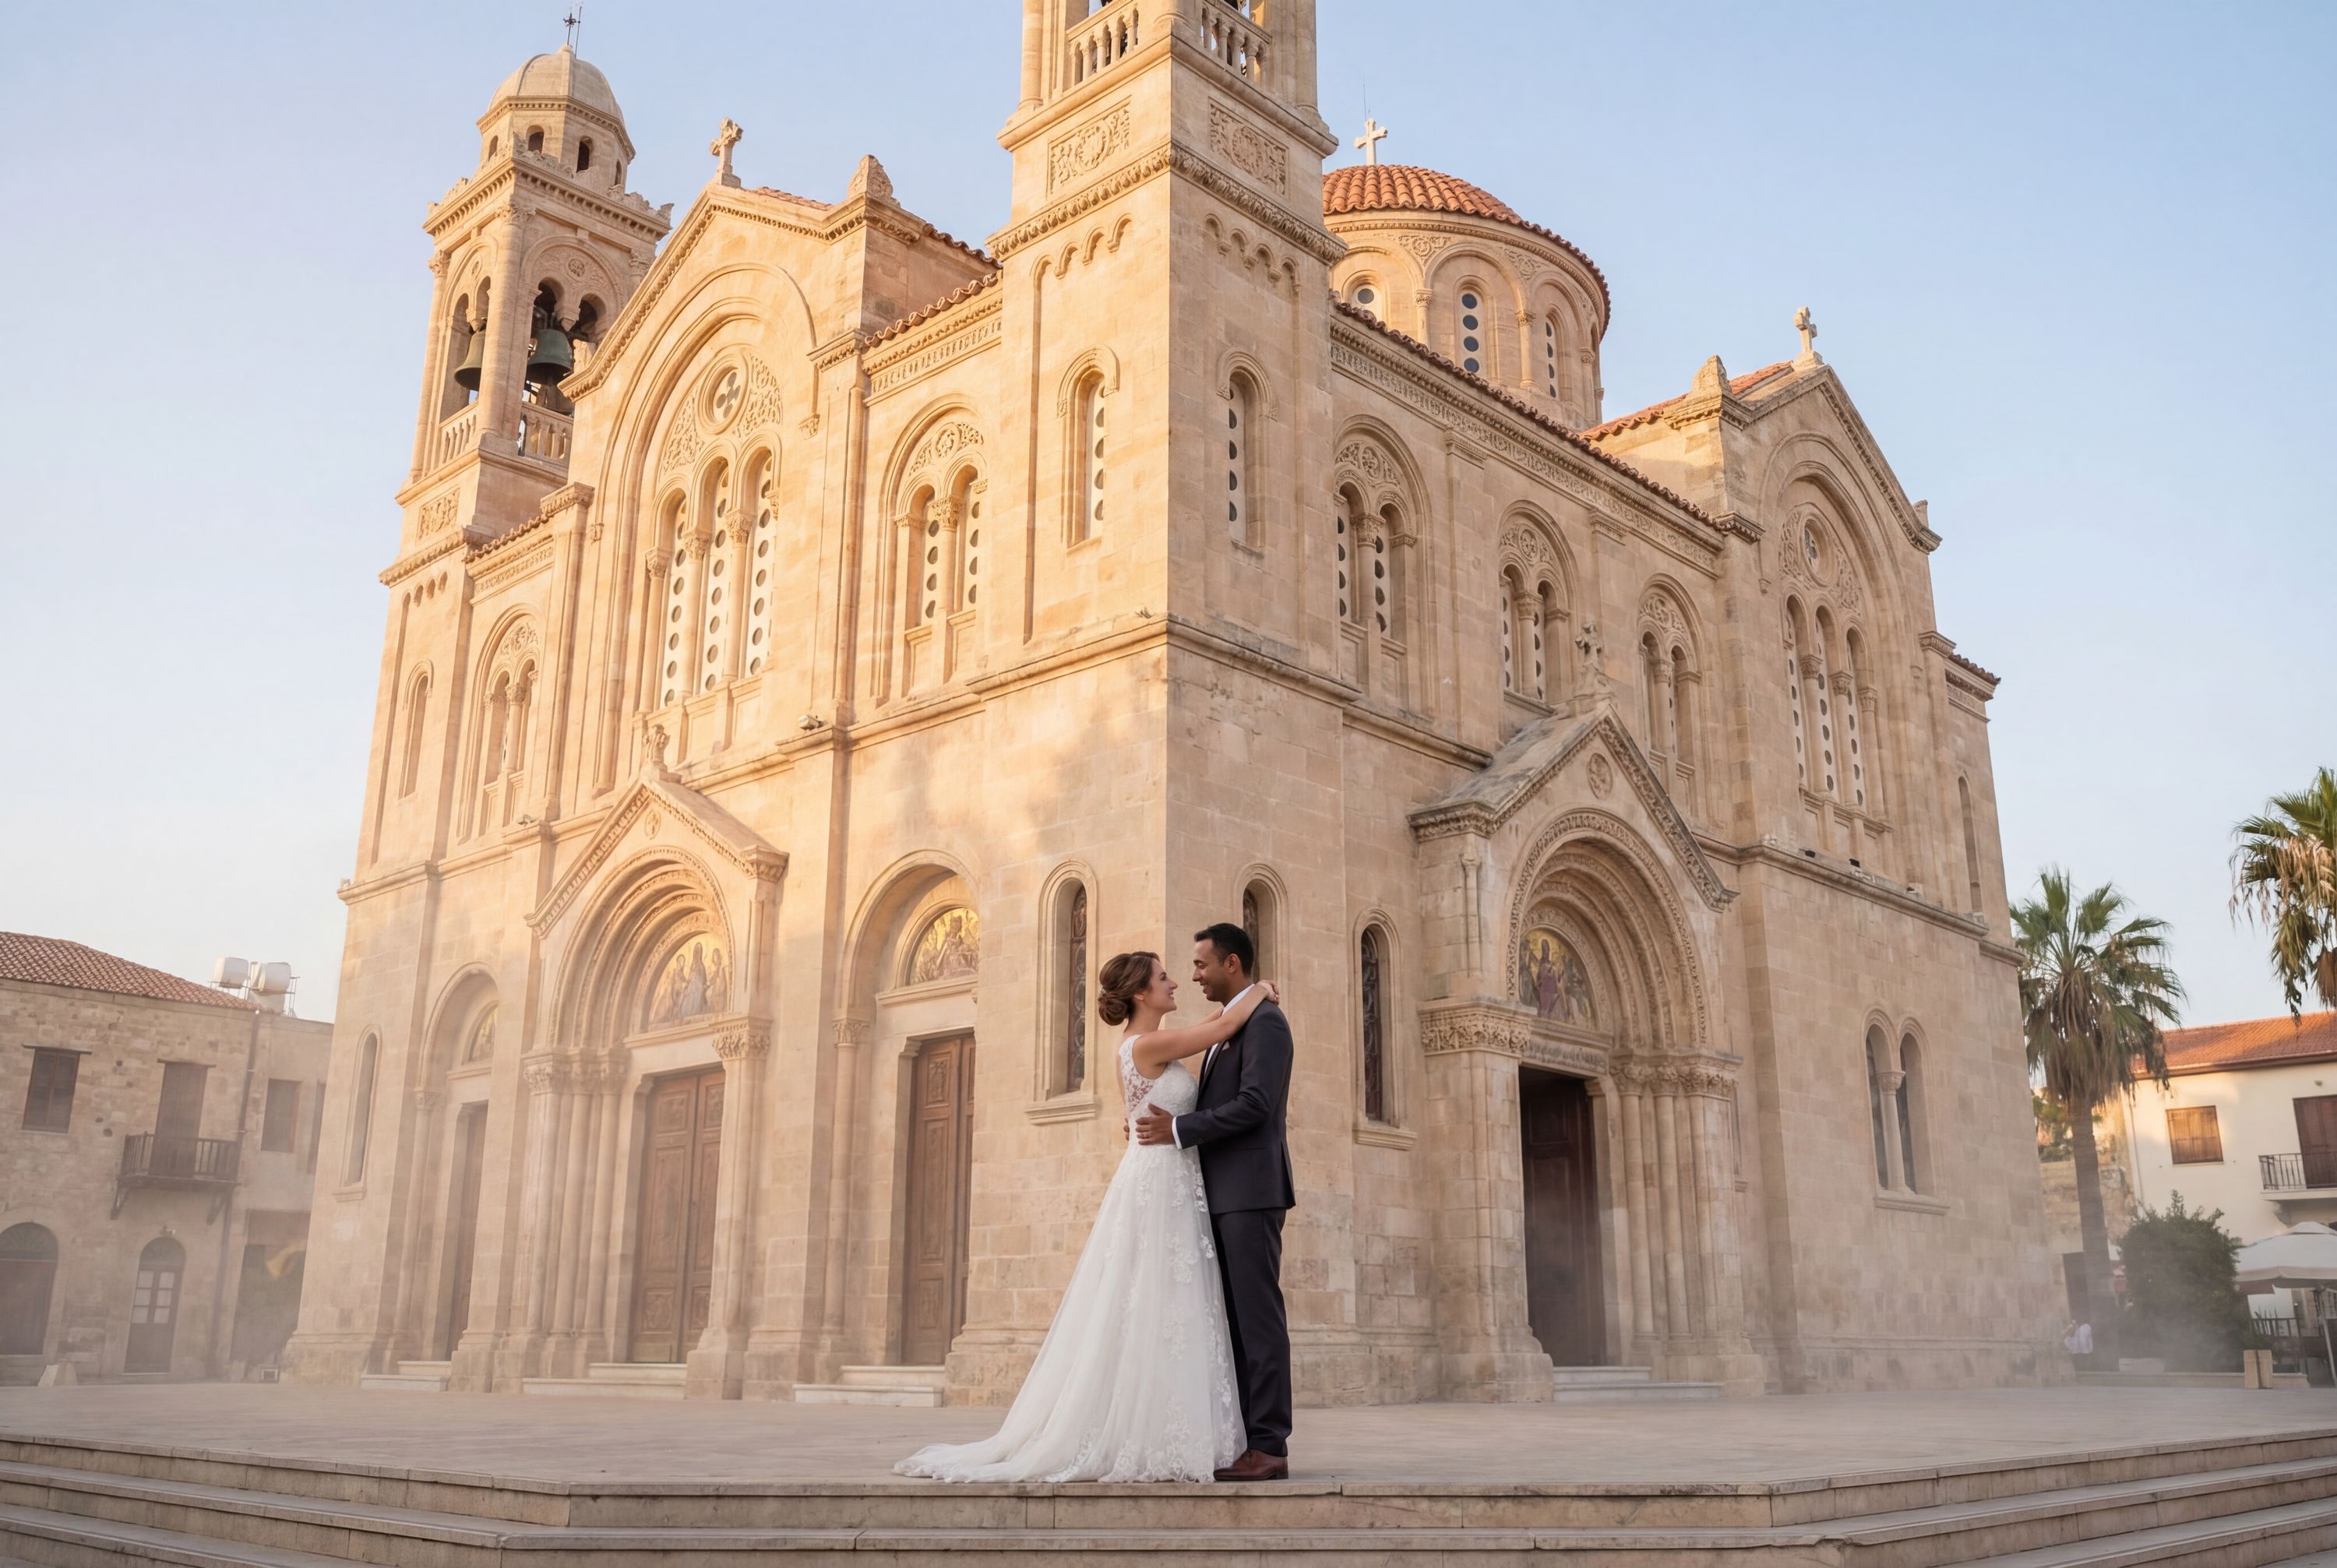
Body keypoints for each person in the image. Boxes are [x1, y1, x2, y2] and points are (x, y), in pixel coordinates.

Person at [894, 946, 1279, 1483]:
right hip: (1159, 1179)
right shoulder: (1147, 1043)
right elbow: (1223, 1026)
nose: (1174, 983)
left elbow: (1187, 1057)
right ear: (1141, 993)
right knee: (1159, 1296)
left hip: (1166, 1175)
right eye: (1164, 977)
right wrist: (1260, 989)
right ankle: (1151, 1430)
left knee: (1163, 1301)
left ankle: (1166, 1425)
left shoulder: (1139, 1045)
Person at [1133, 922, 1296, 1482]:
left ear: (1232, 963)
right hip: (1220, 1193)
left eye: (1202, 964)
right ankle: (1246, 1438)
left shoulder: (1266, 1023)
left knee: (1257, 1319)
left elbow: (1256, 1103)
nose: (1194, 975)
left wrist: (1180, 1129)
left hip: (1250, 1192)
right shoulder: (1230, 1024)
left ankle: (1269, 1444)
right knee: (1233, 1321)